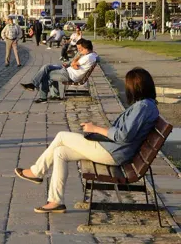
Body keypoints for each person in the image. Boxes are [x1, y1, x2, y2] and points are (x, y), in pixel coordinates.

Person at [15, 67, 159, 213]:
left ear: (135, 88)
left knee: (61, 136)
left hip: (112, 152)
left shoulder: (143, 107)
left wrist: (95, 129)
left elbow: (123, 135)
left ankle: (37, 172)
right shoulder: (147, 105)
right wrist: (100, 133)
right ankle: (55, 201)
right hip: (114, 149)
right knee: (60, 152)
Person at [21, 39, 96, 103]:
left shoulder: (87, 57)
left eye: (81, 49)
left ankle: (42, 96)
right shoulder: (91, 55)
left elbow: (74, 63)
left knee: (46, 74)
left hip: (68, 74)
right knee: (46, 67)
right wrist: (72, 63)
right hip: (67, 70)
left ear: (86, 48)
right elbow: (73, 63)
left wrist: (74, 62)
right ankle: (37, 86)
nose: (79, 51)